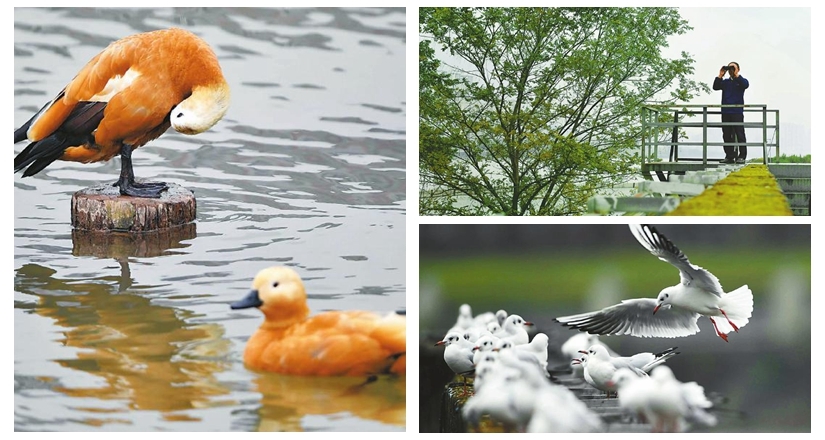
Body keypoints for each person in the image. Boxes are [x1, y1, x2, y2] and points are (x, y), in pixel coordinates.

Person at [713, 62, 749, 164]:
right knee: (727, 135)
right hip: (726, 111)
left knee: (740, 133)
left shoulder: (741, 81)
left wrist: (736, 75)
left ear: (738, 69)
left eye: (733, 68)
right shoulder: (725, 82)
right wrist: (720, 75)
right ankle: (730, 156)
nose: (731, 71)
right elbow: (715, 87)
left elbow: (745, 85)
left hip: (737, 112)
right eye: (730, 68)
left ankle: (742, 156)